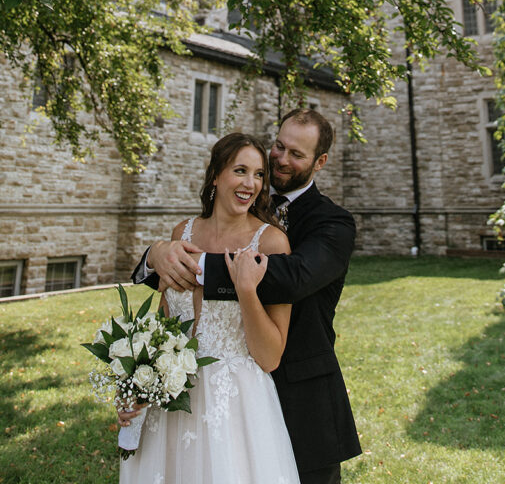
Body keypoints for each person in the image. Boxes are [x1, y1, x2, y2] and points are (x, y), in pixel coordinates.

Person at [133, 109, 361, 484]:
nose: (281, 160)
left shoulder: (332, 223)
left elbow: (293, 277)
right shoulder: (223, 209)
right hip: (195, 396)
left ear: (320, 162)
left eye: (297, 154)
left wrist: (186, 262)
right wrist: (154, 256)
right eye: (279, 146)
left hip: (298, 392)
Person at [120, 132, 301, 484]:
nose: (251, 184)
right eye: (240, 171)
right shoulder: (182, 233)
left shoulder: (271, 242)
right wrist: (138, 388)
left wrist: (246, 290)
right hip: (172, 402)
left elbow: (270, 357)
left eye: (259, 174)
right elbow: (164, 328)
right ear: (215, 174)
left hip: (235, 408)